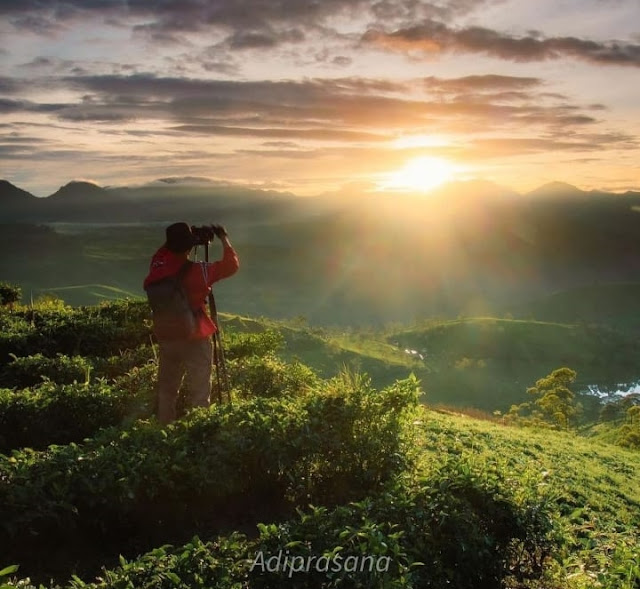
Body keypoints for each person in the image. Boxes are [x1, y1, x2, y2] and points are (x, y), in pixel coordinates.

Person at [143, 222, 239, 424]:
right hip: (195, 337)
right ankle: (197, 429)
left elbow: (162, 251)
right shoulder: (200, 271)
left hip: (167, 337)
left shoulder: (157, 266)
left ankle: (164, 430)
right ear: (189, 247)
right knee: (199, 393)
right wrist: (224, 238)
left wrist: (189, 236)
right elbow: (232, 266)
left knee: (167, 391)